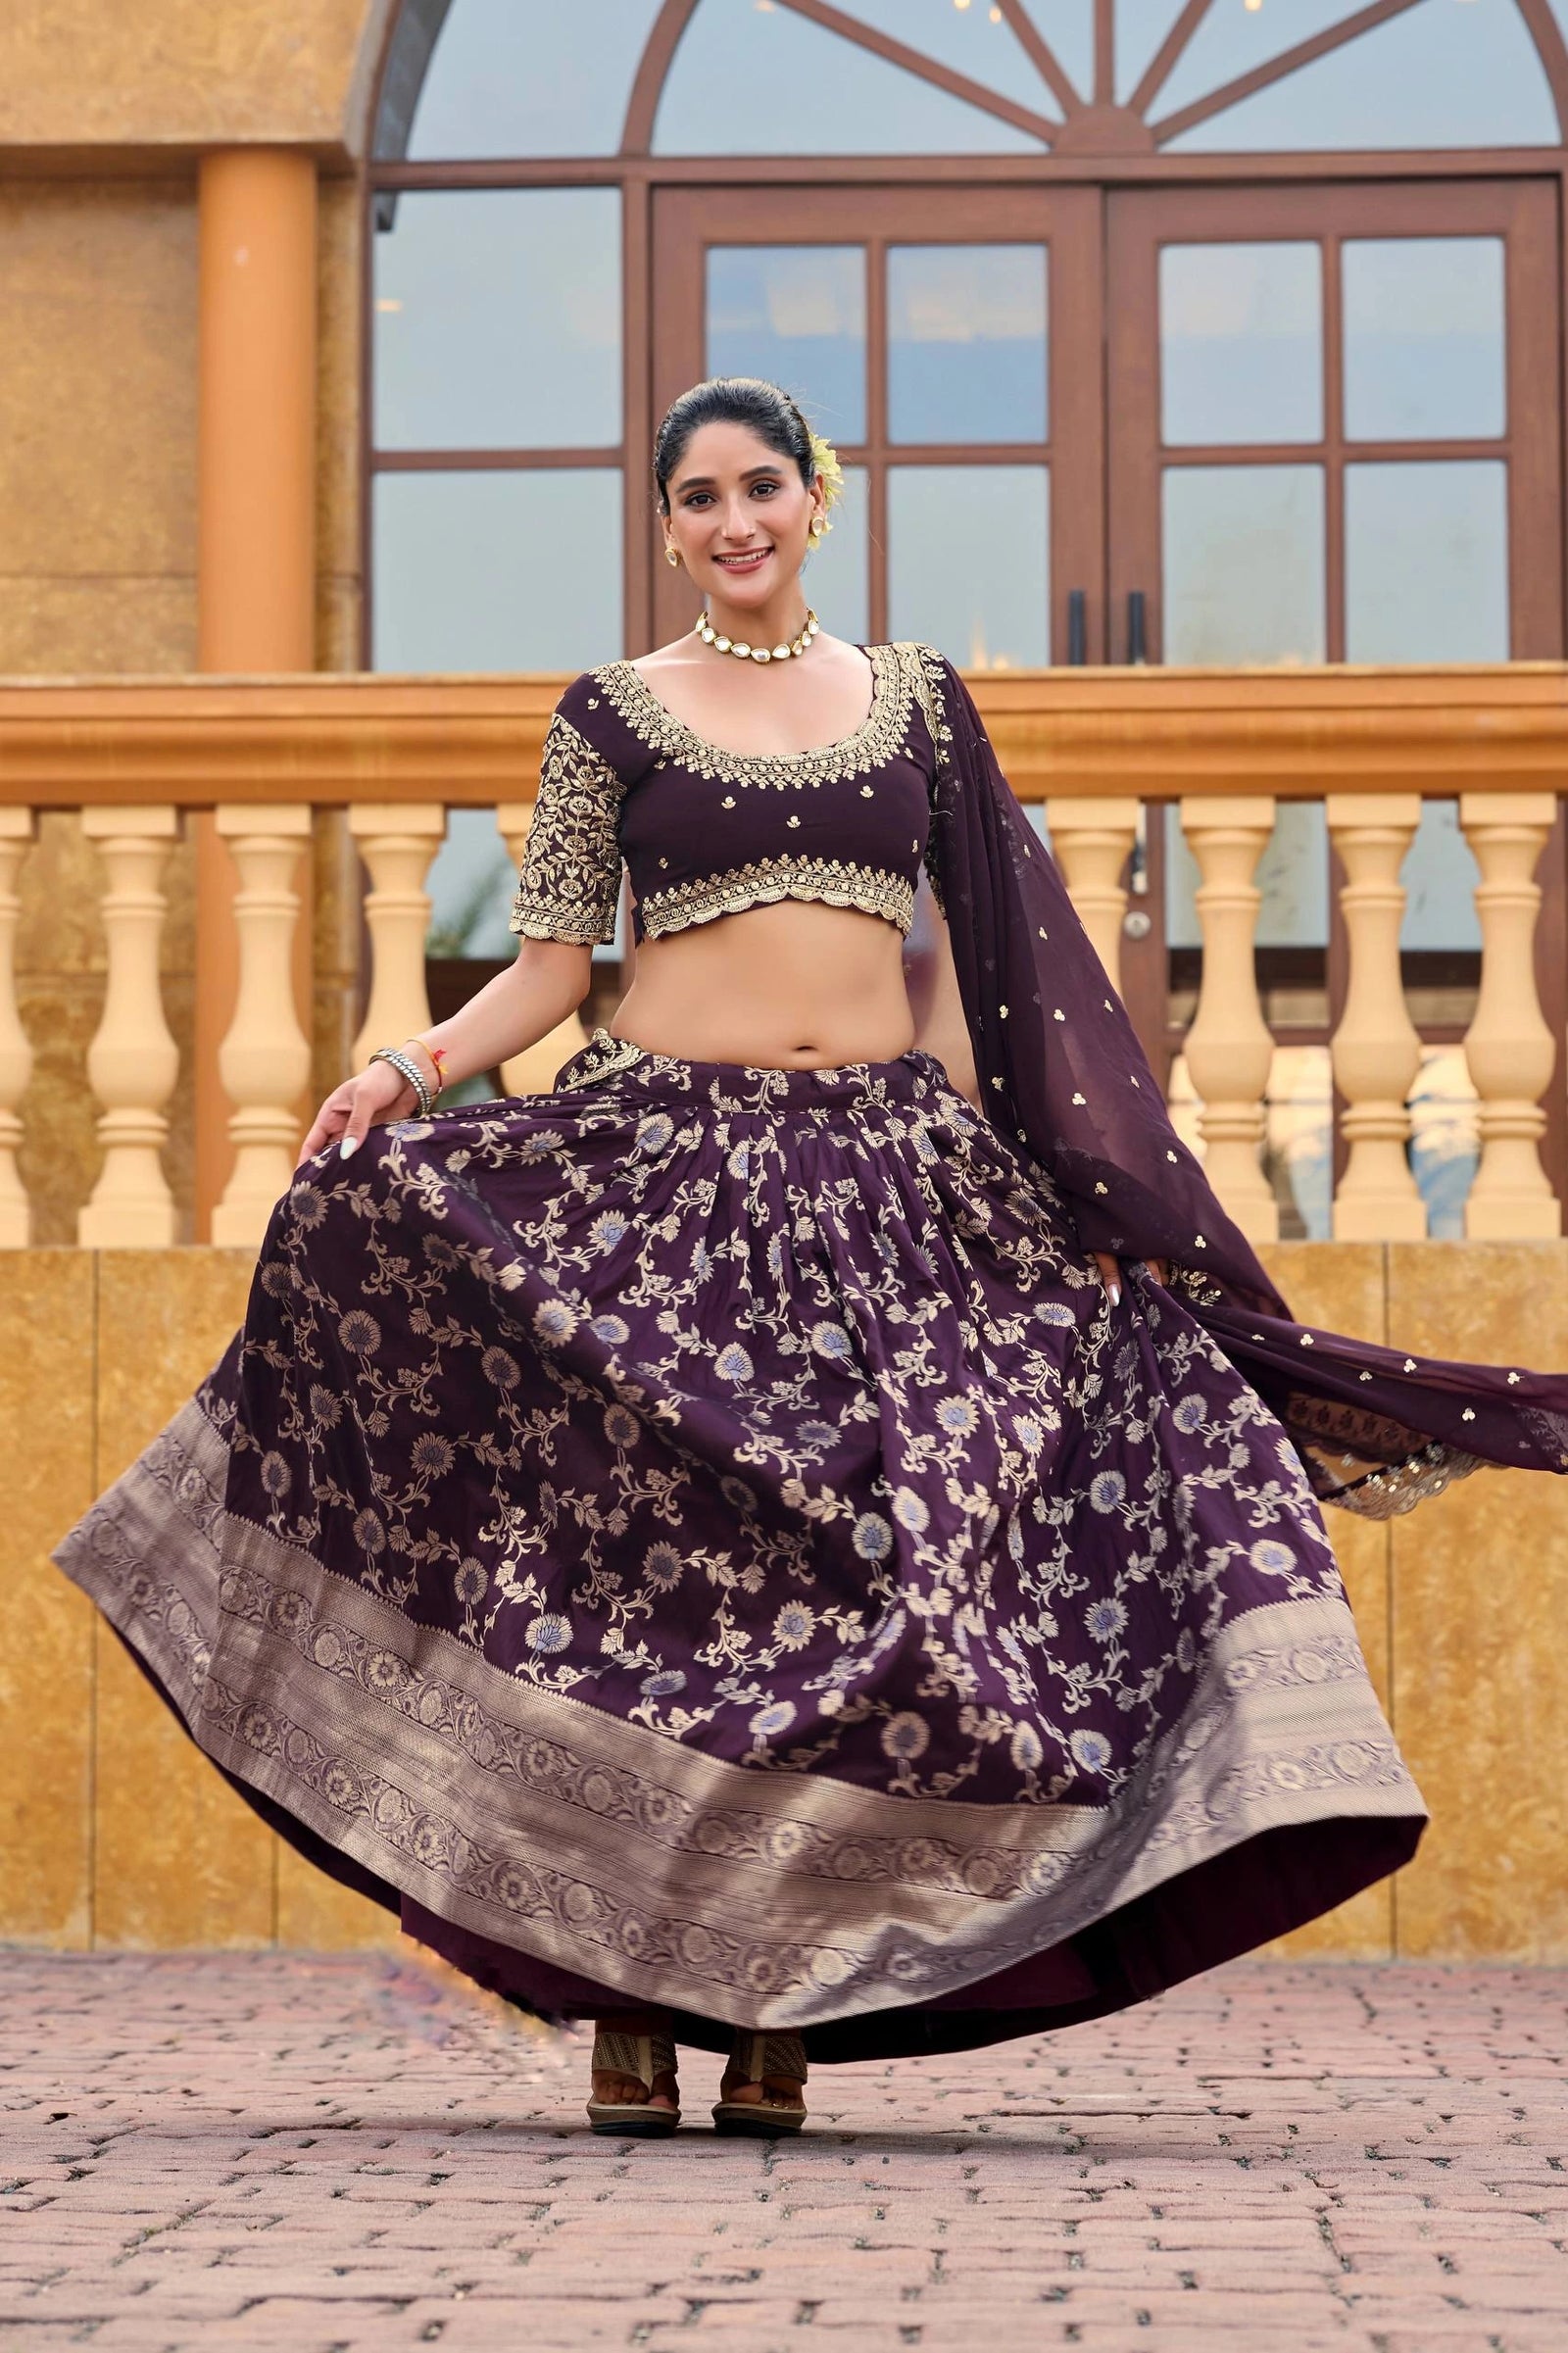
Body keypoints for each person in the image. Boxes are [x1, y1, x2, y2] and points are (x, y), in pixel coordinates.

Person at [55, 376, 1568, 2143]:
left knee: (864, 1601)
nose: (733, 521)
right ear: (670, 525)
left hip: (884, 1183)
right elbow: (550, 974)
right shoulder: (606, 717)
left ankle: (781, 2010)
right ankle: (629, 2005)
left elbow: (998, 977)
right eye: (697, 498)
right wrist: (403, 1072)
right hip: (664, 1179)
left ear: (815, 498)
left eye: (759, 485)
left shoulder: (919, 703)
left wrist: (1079, 1214)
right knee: (658, 1602)